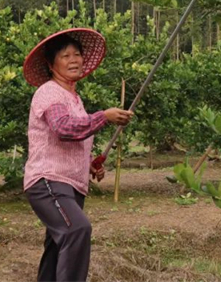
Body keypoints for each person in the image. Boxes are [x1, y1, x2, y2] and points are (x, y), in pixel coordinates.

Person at [22, 28, 133, 282]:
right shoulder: (50, 92)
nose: (74, 59)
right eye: (65, 56)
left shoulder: (75, 99)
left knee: (57, 249)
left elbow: (74, 140)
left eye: (77, 54)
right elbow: (63, 128)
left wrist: (90, 165)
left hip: (71, 186)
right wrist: (103, 116)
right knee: (77, 230)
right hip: (48, 181)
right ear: (51, 65)